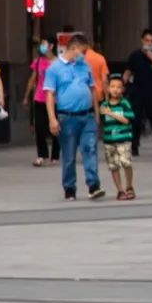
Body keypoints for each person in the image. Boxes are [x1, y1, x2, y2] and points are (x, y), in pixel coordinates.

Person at [44, 34, 105, 201]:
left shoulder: (84, 66)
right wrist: (52, 118)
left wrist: (96, 113)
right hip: (67, 117)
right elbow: (50, 94)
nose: (85, 55)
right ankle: (69, 188)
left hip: (87, 116)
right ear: (74, 48)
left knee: (90, 149)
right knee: (69, 155)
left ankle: (94, 185)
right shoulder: (54, 68)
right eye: (83, 51)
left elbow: (92, 90)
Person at [125, 29, 152, 157]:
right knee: (135, 119)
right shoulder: (134, 56)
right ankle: (134, 145)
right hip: (138, 91)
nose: (149, 43)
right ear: (142, 41)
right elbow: (128, 71)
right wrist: (122, 83)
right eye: (147, 40)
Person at [24, 38, 60, 166]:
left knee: (55, 128)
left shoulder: (59, 62)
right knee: (39, 127)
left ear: (51, 46)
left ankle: (55, 155)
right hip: (39, 98)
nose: (42, 46)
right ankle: (42, 155)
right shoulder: (38, 61)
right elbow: (33, 79)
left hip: (55, 100)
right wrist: (26, 96)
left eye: (44, 44)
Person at [100, 75, 136, 200]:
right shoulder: (104, 105)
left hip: (124, 138)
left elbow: (126, 120)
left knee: (126, 162)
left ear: (123, 89)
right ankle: (120, 190)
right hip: (110, 140)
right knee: (113, 166)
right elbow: (102, 120)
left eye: (118, 87)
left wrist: (111, 113)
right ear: (108, 88)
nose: (115, 89)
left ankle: (129, 186)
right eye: (112, 87)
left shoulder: (124, 103)